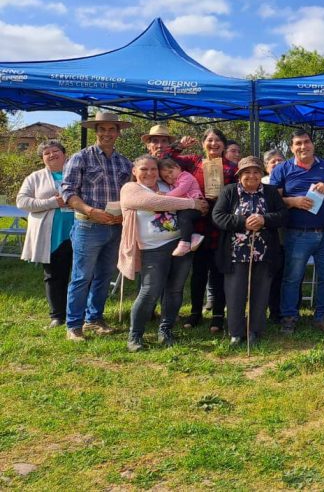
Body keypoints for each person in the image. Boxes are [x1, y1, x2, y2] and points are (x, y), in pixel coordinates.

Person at [118, 155, 209, 351]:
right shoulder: (130, 189)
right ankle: (135, 336)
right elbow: (155, 203)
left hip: (178, 244)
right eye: (144, 169)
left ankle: (165, 330)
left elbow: (197, 203)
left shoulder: (169, 185)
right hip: (152, 249)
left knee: (175, 290)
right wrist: (192, 204)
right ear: (134, 171)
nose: (149, 173)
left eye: (153, 169)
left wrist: (197, 204)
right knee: (150, 291)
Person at [61, 111, 133, 341]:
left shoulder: (124, 162)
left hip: (116, 226)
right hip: (88, 226)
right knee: (82, 276)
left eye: (112, 129)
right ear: (96, 131)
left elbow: (130, 194)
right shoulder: (81, 158)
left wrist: (124, 214)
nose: (107, 133)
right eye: (102, 129)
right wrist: (91, 211)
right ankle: (74, 325)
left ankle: (94, 319)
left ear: (118, 132)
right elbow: (68, 192)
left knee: (104, 275)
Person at [269, 130, 324, 335]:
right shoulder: (282, 169)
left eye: (306, 142)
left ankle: (323, 316)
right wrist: (293, 201)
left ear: (312, 144)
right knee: (293, 278)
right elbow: (272, 200)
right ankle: (289, 317)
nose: (303, 147)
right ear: (291, 148)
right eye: (298, 143)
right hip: (297, 233)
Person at [213, 156, 286, 345]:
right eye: (247, 172)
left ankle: (255, 330)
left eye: (256, 172)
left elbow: (283, 215)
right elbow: (218, 216)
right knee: (235, 293)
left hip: (264, 252)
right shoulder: (229, 192)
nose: (252, 176)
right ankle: (236, 332)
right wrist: (242, 222)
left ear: (262, 174)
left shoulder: (270, 192)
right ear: (239, 176)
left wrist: (264, 219)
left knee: (260, 293)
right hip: (236, 254)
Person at [173, 128, 237, 332]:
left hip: (221, 225)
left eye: (218, 140)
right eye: (209, 140)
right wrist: (180, 146)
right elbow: (164, 159)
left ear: (224, 145)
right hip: (197, 223)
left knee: (219, 271)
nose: (214, 144)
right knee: (199, 272)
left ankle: (218, 314)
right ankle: (195, 313)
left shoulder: (231, 168)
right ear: (203, 143)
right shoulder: (193, 162)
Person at [17, 140, 75, 327]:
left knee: (81, 275)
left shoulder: (75, 173)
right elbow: (22, 202)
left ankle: (80, 313)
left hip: (80, 231)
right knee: (54, 275)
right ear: (42, 158)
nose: (51, 155)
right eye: (46, 153)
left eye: (55, 151)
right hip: (51, 235)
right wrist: (51, 202)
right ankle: (57, 316)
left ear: (64, 153)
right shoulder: (35, 177)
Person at [157, 157, 205, 256]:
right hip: (188, 206)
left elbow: (181, 190)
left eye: (171, 172)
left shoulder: (185, 176)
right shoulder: (172, 184)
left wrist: (166, 195)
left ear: (178, 167)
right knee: (182, 217)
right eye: (166, 177)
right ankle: (194, 236)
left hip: (197, 203)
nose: (170, 176)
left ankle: (185, 243)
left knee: (184, 217)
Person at [261, 149, 286, 323]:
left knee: (285, 274)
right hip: (266, 235)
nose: (277, 164)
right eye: (273, 162)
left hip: (285, 234)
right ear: (266, 166)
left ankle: (283, 311)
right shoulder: (260, 182)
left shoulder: (289, 180)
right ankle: (269, 310)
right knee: (269, 275)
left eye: (280, 161)